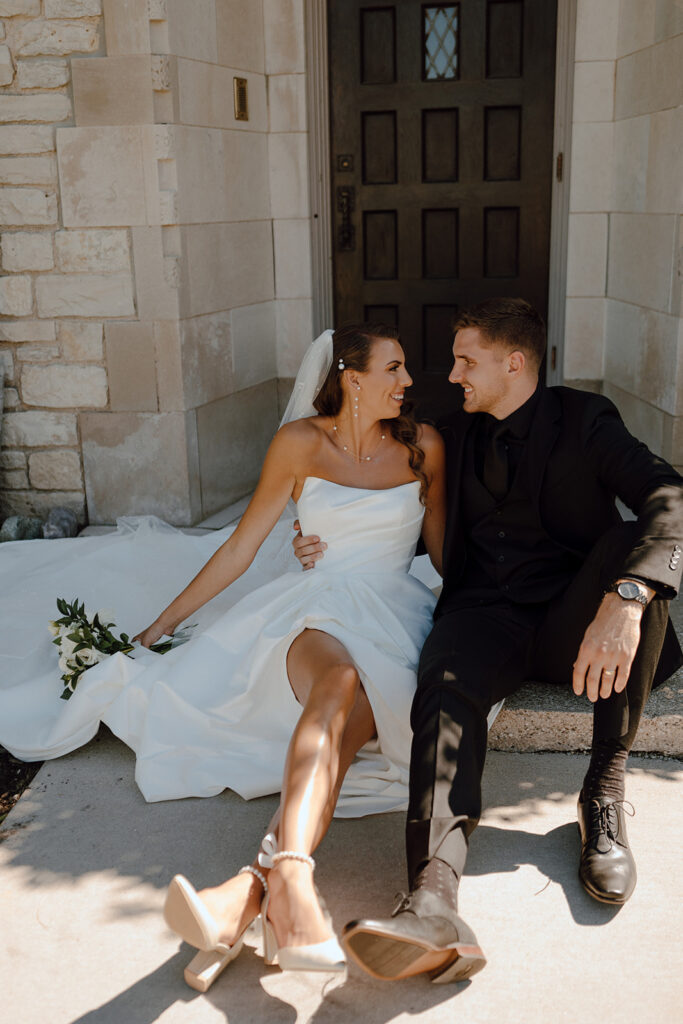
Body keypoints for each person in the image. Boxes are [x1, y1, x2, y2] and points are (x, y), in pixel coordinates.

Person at [0, 323, 461, 989]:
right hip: (316, 608)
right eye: (393, 368)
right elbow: (241, 547)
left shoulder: (424, 447)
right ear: (351, 378)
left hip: (394, 610)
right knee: (337, 677)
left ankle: (252, 893)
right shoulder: (299, 443)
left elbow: (445, 555)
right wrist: (161, 625)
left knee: (357, 712)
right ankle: (292, 883)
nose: (408, 382)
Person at [293, 298, 683, 984]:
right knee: (442, 686)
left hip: (572, 617)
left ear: (515, 362)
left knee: (632, 559)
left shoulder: (583, 420)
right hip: (485, 613)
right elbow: (376, 485)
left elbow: (669, 497)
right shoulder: (448, 435)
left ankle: (602, 792)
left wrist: (623, 601)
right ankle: (432, 899)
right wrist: (323, 535)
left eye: (465, 359)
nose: (451, 374)